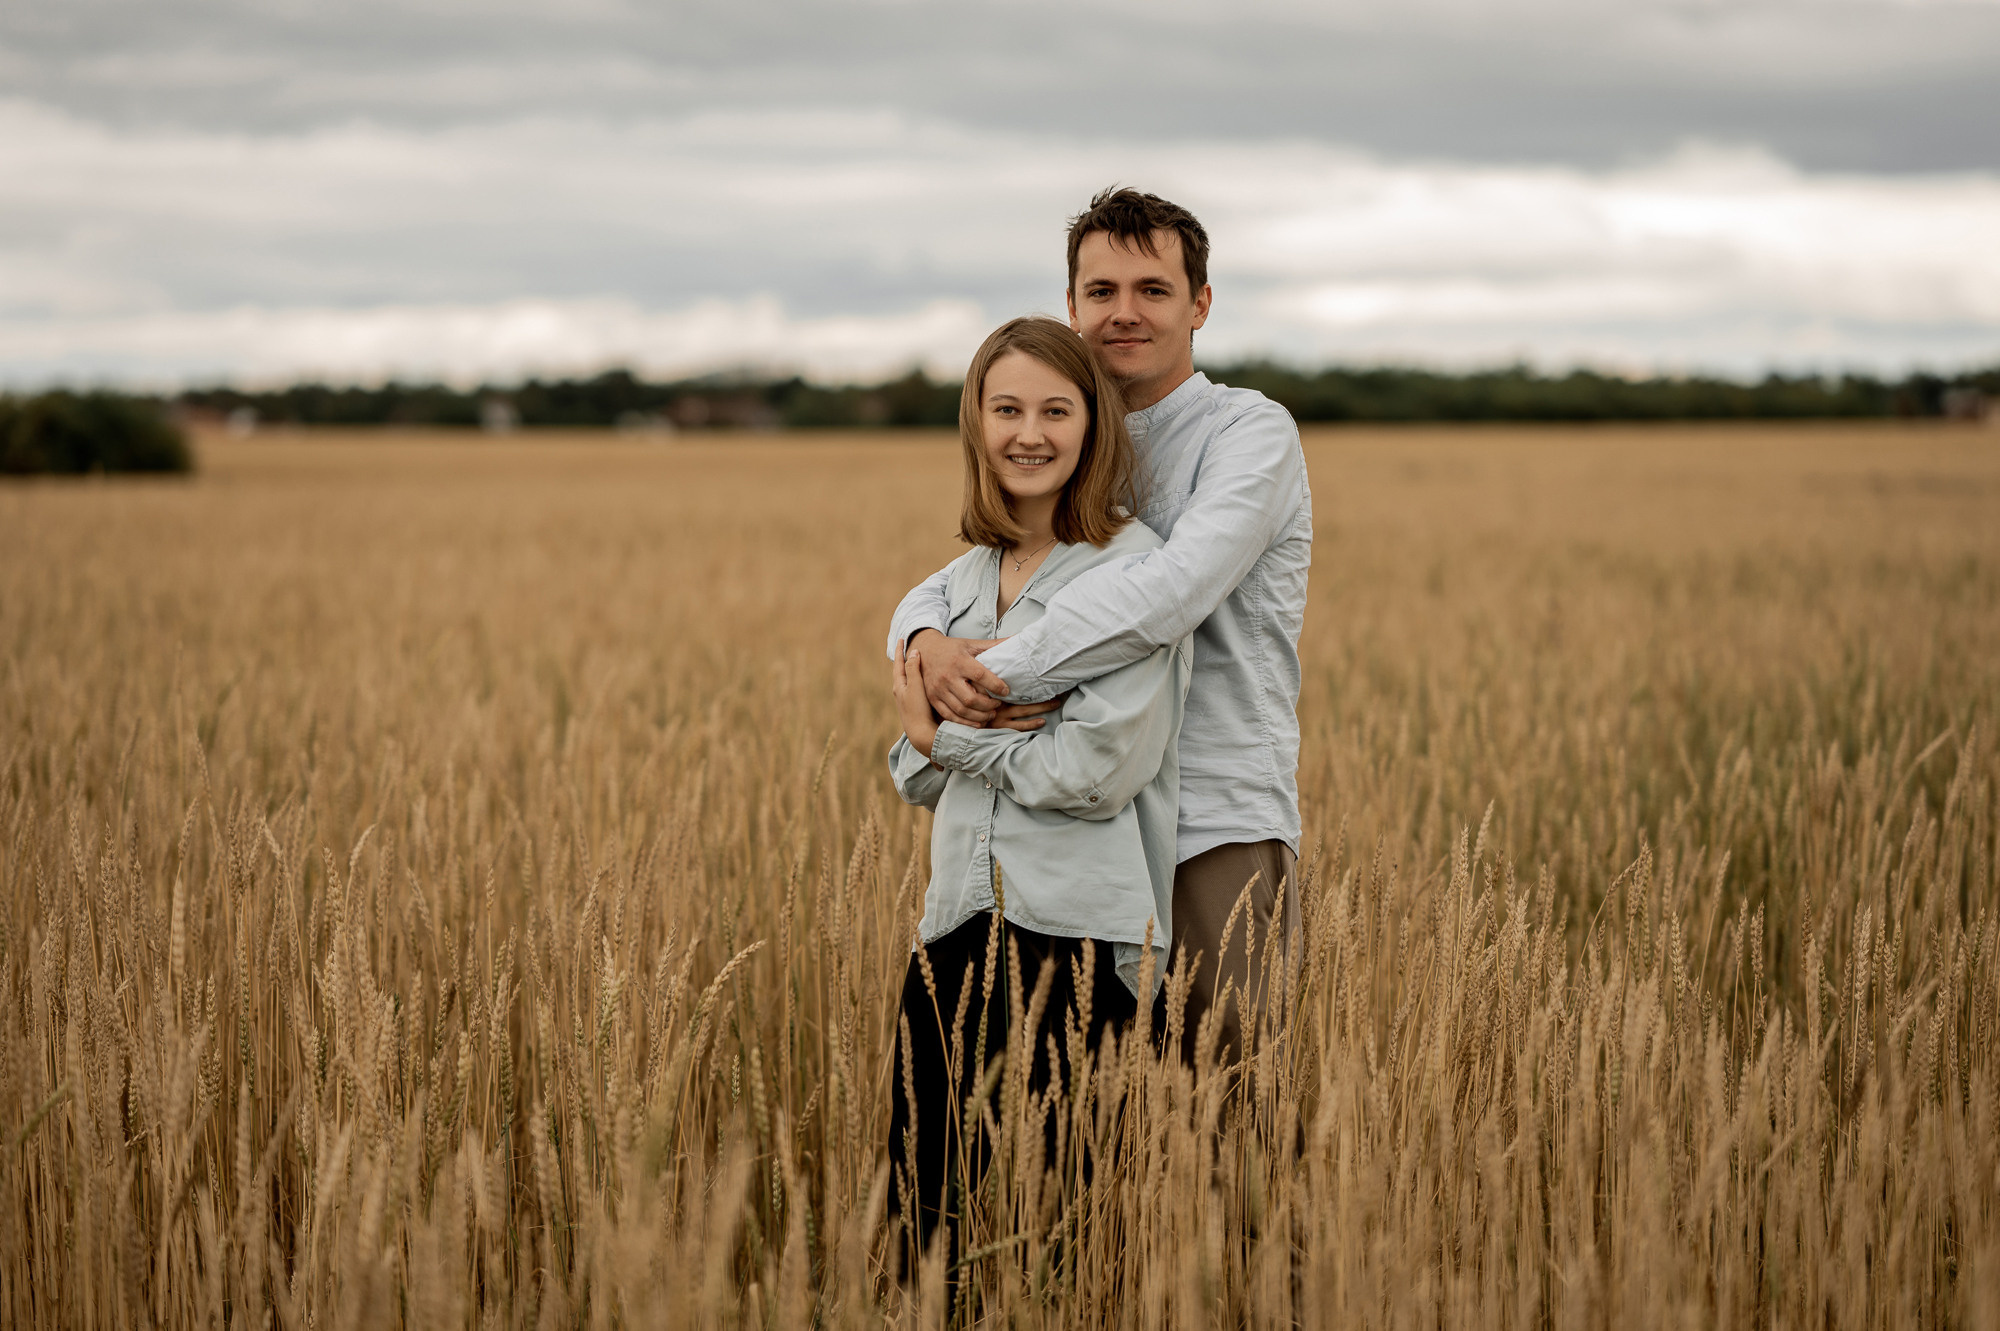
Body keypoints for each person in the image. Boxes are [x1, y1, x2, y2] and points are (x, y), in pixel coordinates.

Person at [889, 187, 1312, 1070]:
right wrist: (924, 642)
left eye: (1153, 290)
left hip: (1210, 824)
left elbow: (1168, 595)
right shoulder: (1070, 432)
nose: (1125, 312)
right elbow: (968, 570)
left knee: (1220, 1117)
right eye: (1102, 290)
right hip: (1082, 844)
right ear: (1072, 304)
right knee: (1103, 1146)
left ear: (1200, 303)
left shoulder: (1247, 433)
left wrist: (990, 676)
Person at [885, 315, 1192, 1257]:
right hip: (955, 921)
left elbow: (1092, 774)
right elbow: (909, 769)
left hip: (1082, 939)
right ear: (976, 423)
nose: (1030, 432)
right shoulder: (959, 585)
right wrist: (933, 716)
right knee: (917, 1228)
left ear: (1092, 426)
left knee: (1068, 1237)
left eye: (1056, 409)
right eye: (1006, 407)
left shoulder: (1134, 572)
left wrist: (953, 741)